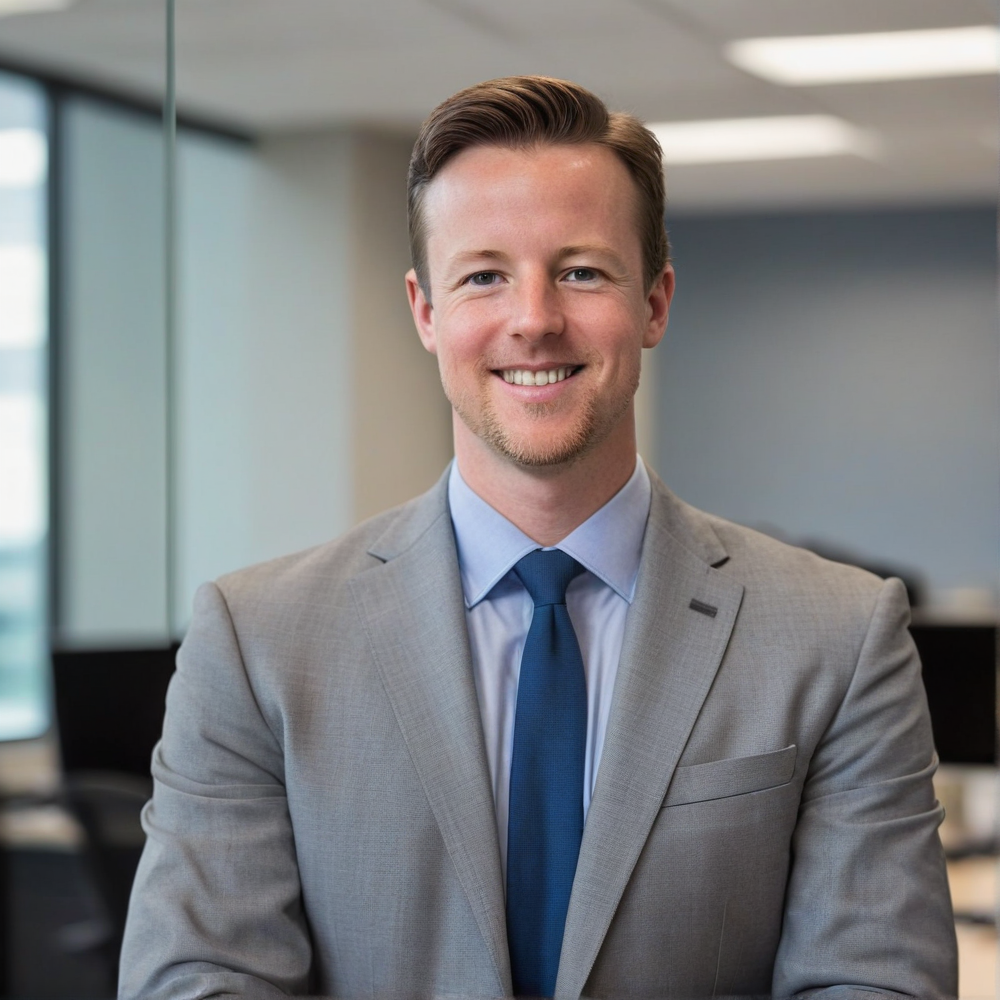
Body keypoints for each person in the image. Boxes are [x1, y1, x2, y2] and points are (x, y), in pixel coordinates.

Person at [120, 76, 957, 1000]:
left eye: (581, 271)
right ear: (425, 313)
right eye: (483, 274)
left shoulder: (839, 636)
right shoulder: (258, 641)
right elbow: (197, 979)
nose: (533, 319)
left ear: (656, 302)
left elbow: (877, 982)